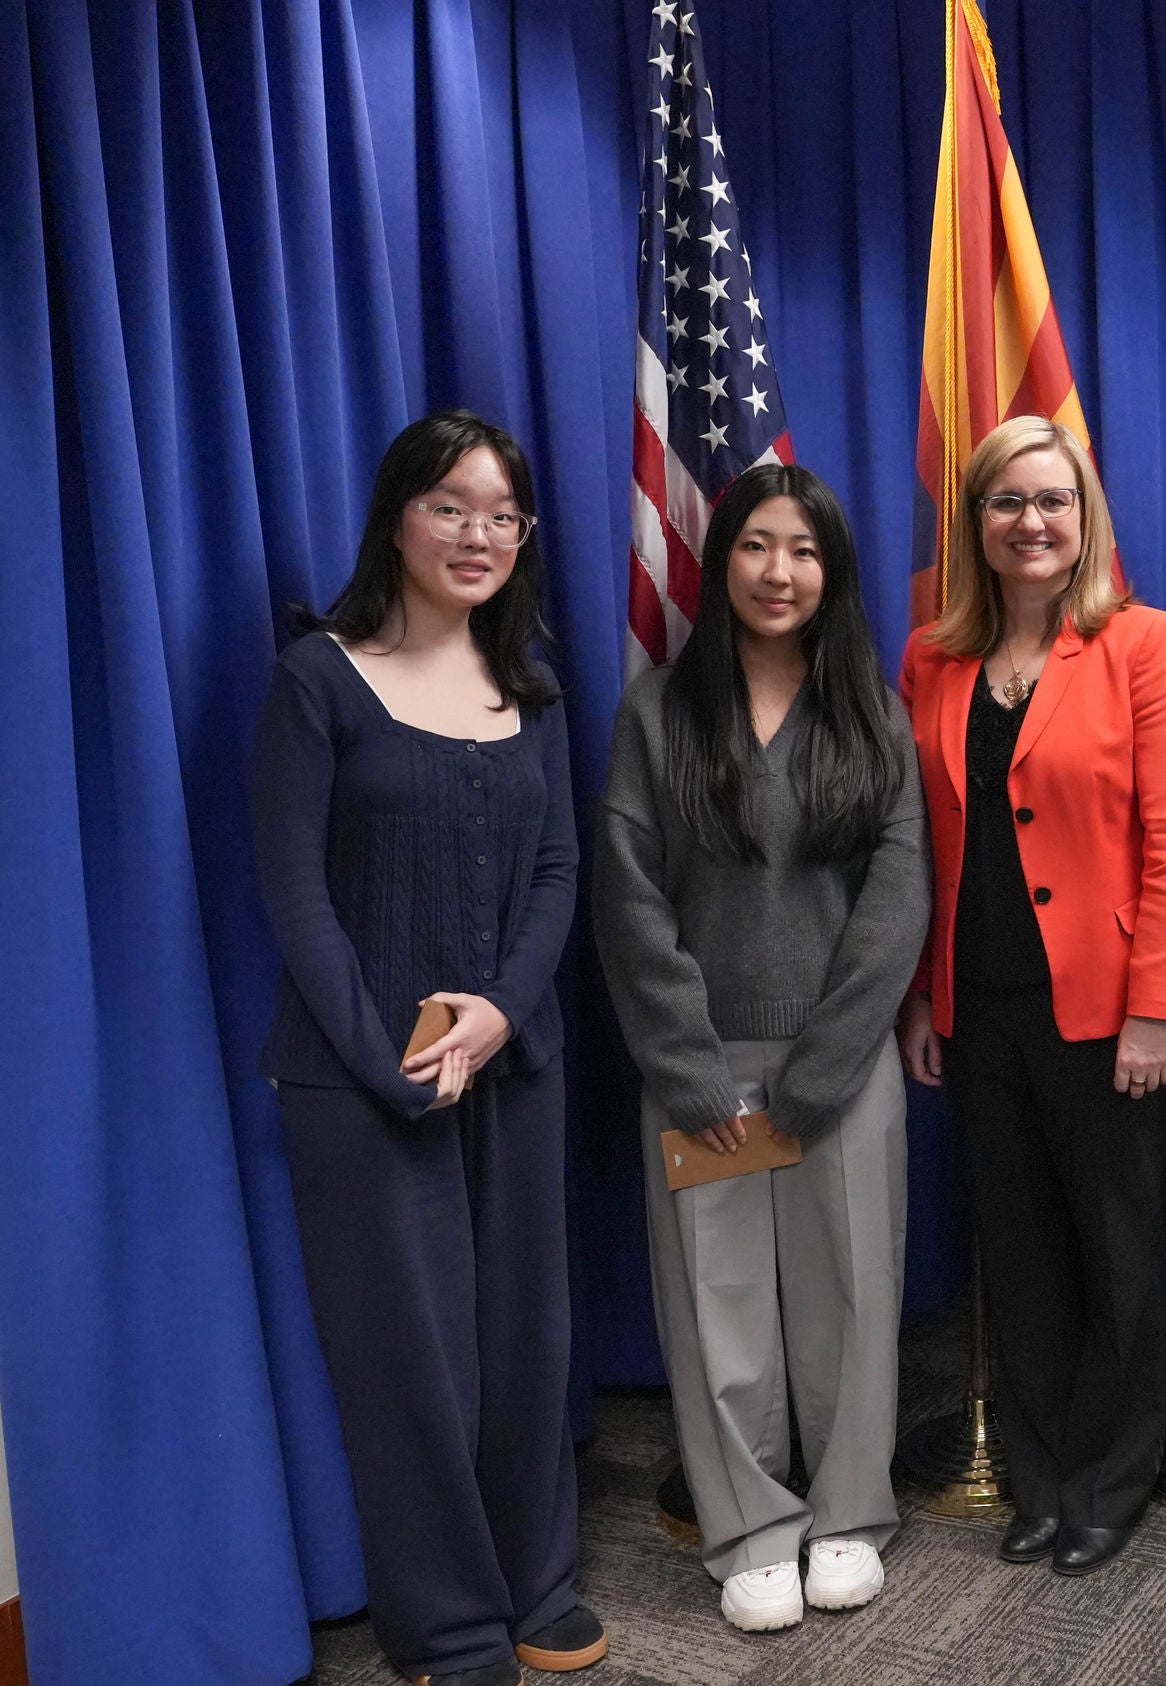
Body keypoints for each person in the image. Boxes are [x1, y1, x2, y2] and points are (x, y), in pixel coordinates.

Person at [250, 411, 603, 1686]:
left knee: (524, 1340)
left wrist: (500, 1010)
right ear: (397, 513)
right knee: (409, 1362)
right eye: (450, 505)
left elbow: (560, 865)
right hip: (357, 1083)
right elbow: (293, 892)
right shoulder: (317, 677)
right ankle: (447, 1626)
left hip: (515, 1062)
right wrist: (388, 1056)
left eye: (501, 514)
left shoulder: (538, 681)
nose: (476, 534)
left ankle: (536, 1584)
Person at [594, 463, 927, 1633]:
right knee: (716, 1302)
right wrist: (687, 1068)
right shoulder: (657, 712)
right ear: (718, 556)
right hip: (702, 1072)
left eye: (801, 550)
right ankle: (749, 1526)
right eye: (753, 546)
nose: (777, 572)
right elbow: (629, 901)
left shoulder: (869, 710)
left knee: (850, 1291)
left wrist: (827, 1064)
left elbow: (897, 895)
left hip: (838, 1074)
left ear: (829, 571)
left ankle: (844, 1513)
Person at [896, 415, 1166, 1576]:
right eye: (1005, 502)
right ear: (973, 521)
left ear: (1085, 521)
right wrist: (918, 1000)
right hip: (974, 1007)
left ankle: (1107, 1481)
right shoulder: (931, 656)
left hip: (1107, 1011)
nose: (1030, 523)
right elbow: (916, 841)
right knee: (1018, 1253)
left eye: (1052, 501)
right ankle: (1035, 1480)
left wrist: (1155, 1008)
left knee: (1120, 1256)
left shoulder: (1143, 644)